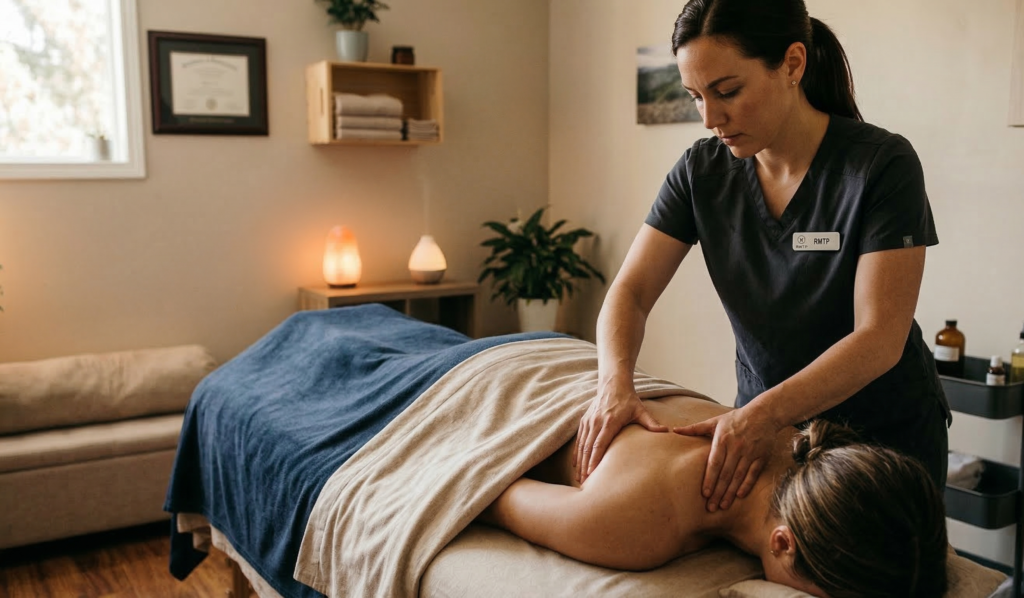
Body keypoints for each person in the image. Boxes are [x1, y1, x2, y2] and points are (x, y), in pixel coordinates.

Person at [575, 0, 951, 513]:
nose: (710, 118)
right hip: (773, 440)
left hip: (884, 439)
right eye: (695, 97)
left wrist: (760, 415)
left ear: (792, 64)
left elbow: (879, 338)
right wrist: (615, 386)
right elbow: (631, 292)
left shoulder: (881, 165)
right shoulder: (700, 173)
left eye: (727, 91)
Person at [480, 395, 948, 598]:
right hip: (469, 381)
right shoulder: (636, 525)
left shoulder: (786, 438)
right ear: (783, 543)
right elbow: (491, 490)